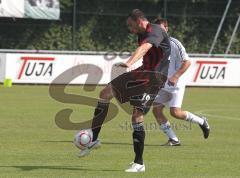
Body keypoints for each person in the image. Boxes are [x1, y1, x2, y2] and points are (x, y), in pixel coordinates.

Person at [78, 9, 171, 172]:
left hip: (155, 77)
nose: (130, 29)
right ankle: (93, 139)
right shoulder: (141, 33)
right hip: (143, 71)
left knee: (137, 115)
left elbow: (145, 48)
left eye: (131, 25)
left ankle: (139, 163)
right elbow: (144, 49)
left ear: (139, 21)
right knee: (105, 93)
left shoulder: (155, 30)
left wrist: (128, 63)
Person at [152, 18, 210, 146]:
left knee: (175, 113)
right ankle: (174, 139)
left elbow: (187, 62)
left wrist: (175, 76)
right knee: (156, 110)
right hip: (163, 84)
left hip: (175, 84)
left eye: (161, 29)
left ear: (166, 29)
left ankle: (202, 122)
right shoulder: (155, 45)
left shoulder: (174, 43)